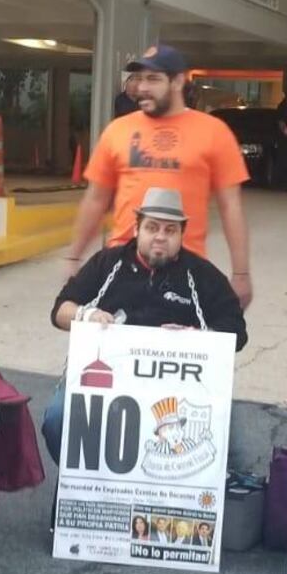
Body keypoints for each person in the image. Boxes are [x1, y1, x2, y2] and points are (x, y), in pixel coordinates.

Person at [43, 188, 247, 461]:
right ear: (136, 229)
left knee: (222, 431)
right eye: (152, 227)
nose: (160, 236)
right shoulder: (107, 263)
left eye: (170, 230)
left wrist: (198, 336)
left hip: (174, 390)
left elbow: (237, 331)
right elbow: (60, 311)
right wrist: (87, 315)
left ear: (182, 235)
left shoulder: (202, 275)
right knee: (58, 418)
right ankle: (79, 480)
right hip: (107, 380)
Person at [65, 45, 253, 308]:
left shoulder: (214, 132)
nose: (142, 87)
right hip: (122, 263)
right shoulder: (118, 130)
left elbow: (231, 206)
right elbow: (96, 199)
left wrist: (241, 274)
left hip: (186, 266)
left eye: (153, 79)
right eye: (139, 79)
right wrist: (74, 257)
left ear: (177, 81)